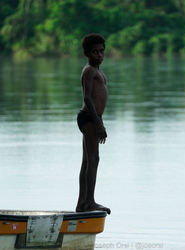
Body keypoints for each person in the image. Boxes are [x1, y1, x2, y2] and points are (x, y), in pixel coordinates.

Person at [76, 33, 111, 214]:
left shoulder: (99, 71)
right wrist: (99, 125)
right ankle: (89, 202)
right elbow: (88, 98)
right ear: (87, 54)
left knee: (87, 161)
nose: (99, 55)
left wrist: (100, 120)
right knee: (94, 159)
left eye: (101, 51)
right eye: (95, 52)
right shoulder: (89, 71)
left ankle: (82, 203)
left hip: (93, 118)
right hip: (88, 117)